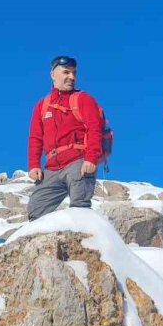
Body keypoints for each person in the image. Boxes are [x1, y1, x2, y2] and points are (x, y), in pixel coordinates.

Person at [26, 55, 105, 220]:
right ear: (53, 74)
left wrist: (91, 158)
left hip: (78, 162)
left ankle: (85, 242)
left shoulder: (83, 99)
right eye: (66, 72)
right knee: (36, 210)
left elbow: (94, 129)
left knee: (80, 208)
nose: (72, 77)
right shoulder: (42, 105)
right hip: (52, 168)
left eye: (74, 73)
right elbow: (35, 137)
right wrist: (34, 165)